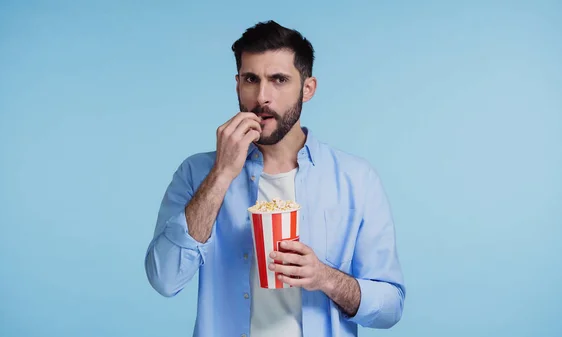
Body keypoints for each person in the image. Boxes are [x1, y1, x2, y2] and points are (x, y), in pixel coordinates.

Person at [144, 20, 406, 337]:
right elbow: (165, 279)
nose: (262, 96)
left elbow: (391, 307)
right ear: (237, 84)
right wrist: (223, 173)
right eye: (251, 79)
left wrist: (324, 277)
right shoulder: (197, 173)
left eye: (279, 80)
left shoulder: (356, 178)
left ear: (307, 89)